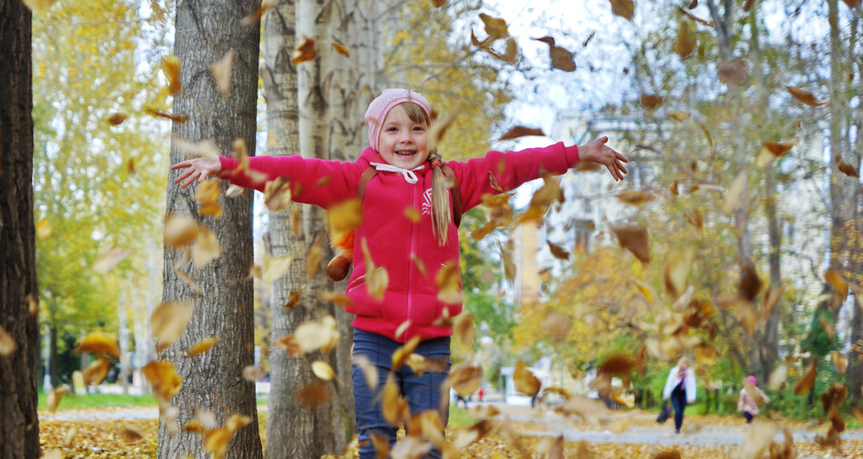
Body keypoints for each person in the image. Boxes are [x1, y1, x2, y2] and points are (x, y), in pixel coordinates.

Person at [172, 88, 628, 458]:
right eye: (393, 129)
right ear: (377, 136)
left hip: (431, 339)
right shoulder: (358, 181)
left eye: (416, 127)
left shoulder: (452, 182)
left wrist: (577, 153)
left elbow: (511, 168)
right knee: (378, 443)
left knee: (428, 443)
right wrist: (229, 167)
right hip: (374, 336)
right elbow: (296, 173)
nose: (405, 137)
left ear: (430, 135)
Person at [662, 356, 696, 434]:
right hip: (675, 394)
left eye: (686, 363)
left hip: (684, 394)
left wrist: (692, 396)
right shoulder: (674, 371)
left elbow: (692, 384)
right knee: (678, 410)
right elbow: (669, 382)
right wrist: (666, 394)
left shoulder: (689, 372)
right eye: (684, 363)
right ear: (681, 363)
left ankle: (679, 426)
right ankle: (677, 427)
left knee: (681, 411)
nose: (685, 365)